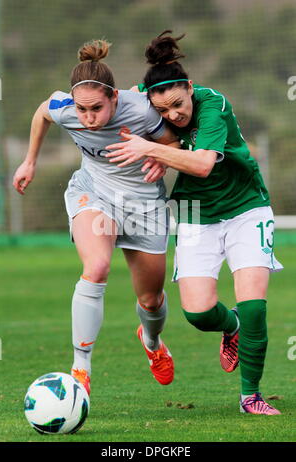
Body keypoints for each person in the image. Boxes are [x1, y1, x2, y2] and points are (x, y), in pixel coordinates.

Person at [105, 31, 284, 415]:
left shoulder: (212, 102)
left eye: (177, 105)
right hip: (193, 214)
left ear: (189, 87)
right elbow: (108, 102)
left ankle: (250, 395)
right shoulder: (144, 95)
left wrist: (152, 148)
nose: (172, 115)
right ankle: (230, 327)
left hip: (245, 207)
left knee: (254, 305)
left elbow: (202, 164)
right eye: (163, 110)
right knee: (199, 313)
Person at [12, 39, 177, 395]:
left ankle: (151, 341)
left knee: (151, 299)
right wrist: (30, 161)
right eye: (81, 109)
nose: (88, 118)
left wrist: (160, 158)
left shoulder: (141, 111)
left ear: (114, 98)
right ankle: (80, 369)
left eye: (97, 109)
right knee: (97, 267)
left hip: (144, 207)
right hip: (94, 193)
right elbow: (42, 112)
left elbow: (173, 145)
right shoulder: (65, 107)